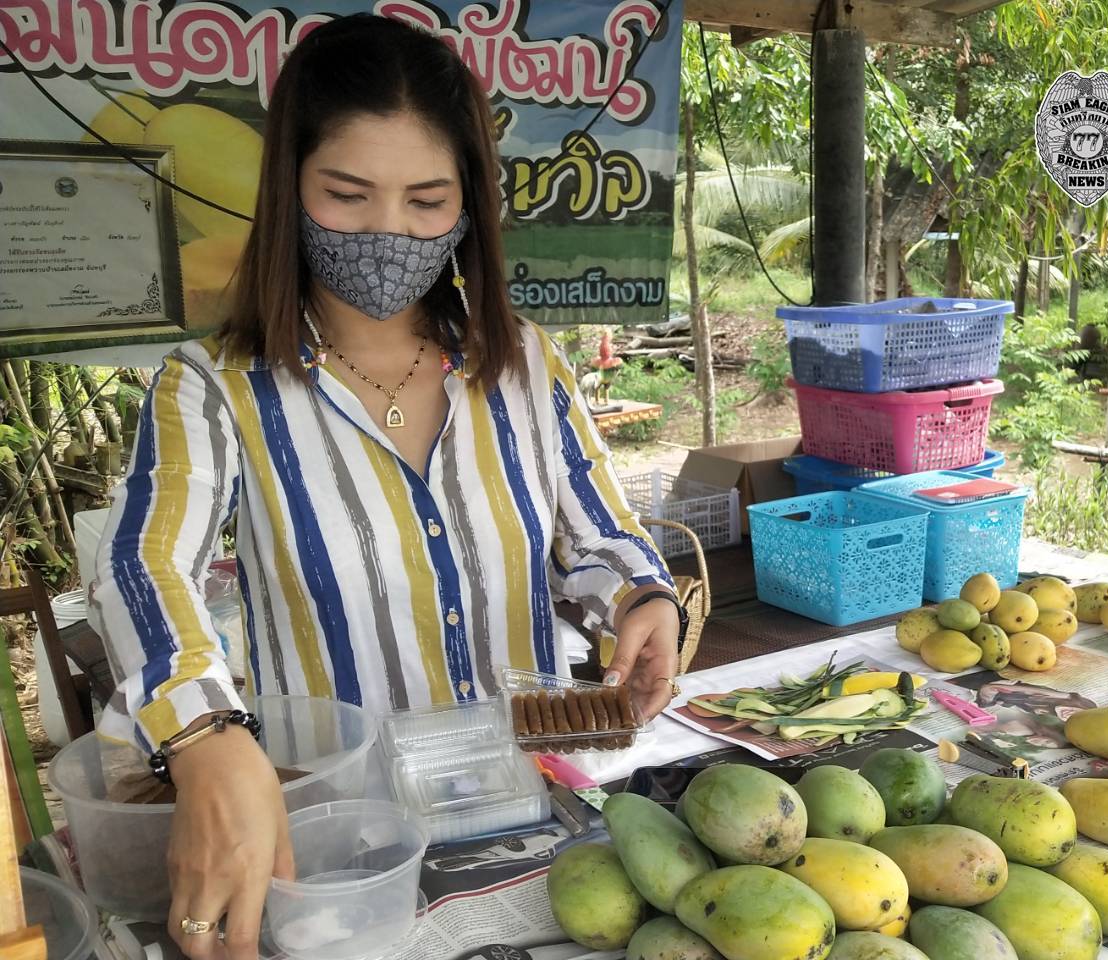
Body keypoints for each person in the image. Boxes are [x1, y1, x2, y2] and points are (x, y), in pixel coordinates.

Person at [85, 15, 684, 960]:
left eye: (426, 199)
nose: (387, 231)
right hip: (348, 842)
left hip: (533, 816)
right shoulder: (216, 386)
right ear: (291, 190)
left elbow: (596, 533)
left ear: (468, 205)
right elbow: (142, 562)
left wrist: (638, 596)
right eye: (348, 193)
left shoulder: (524, 364)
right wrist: (201, 731)